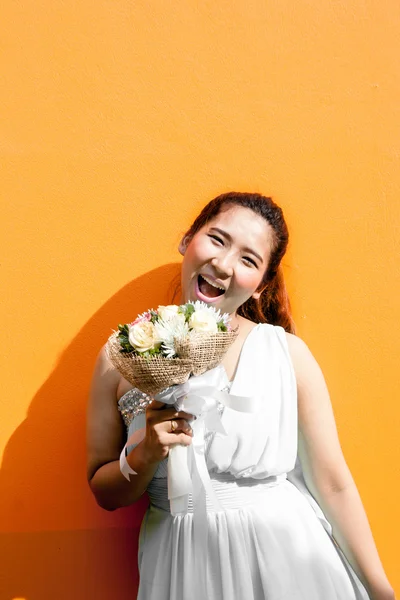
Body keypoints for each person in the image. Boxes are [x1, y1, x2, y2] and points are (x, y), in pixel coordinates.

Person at [87, 192, 395, 600]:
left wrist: (381, 591)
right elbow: (103, 490)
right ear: (187, 240)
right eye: (217, 239)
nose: (224, 264)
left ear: (260, 286)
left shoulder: (286, 353)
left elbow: (334, 484)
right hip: (181, 567)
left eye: (249, 260)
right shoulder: (120, 357)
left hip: (289, 564)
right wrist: (144, 455)